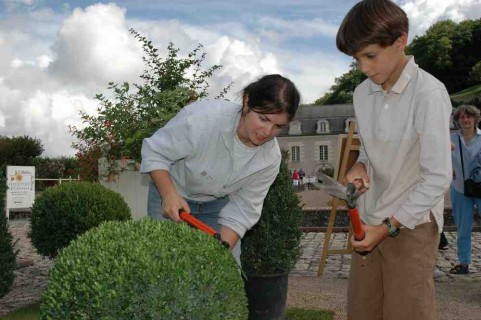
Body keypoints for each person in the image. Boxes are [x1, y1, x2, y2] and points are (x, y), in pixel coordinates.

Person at [336, 0, 452, 319]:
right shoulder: (362, 93)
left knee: (406, 312)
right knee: (363, 311)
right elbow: (371, 149)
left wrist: (388, 227)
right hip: (369, 214)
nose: (364, 68)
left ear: (401, 41)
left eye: (370, 56)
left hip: (412, 221)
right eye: (357, 58)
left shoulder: (429, 93)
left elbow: (438, 177)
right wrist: (360, 164)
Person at [140, 74, 301, 264]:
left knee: (224, 272)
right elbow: (155, 152)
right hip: (171, 193)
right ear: (247, 102)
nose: (267, 132)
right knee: (165, 267)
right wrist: (168, 195)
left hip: (216, 206)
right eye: (263, 119)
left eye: (278, 126)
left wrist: (220, 255)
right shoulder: (201, 118)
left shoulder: (270, 159)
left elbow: (243, 209)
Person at [449, 105, 481, 274]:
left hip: (480, 187)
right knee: (463, 228)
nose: (465, 120)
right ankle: (464, 263)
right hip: (459, 188)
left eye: (468, 117)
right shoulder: (451, 139)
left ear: (475, 118)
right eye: (462, 117)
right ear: (458, 120)